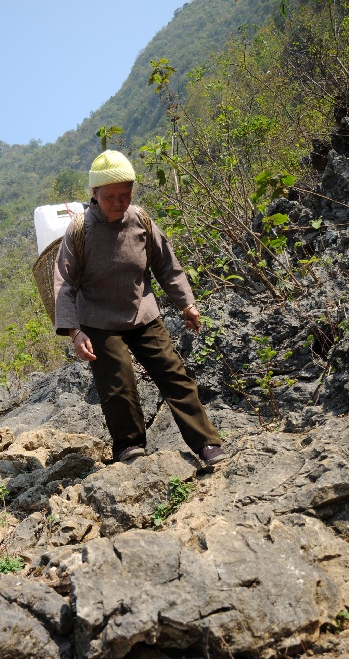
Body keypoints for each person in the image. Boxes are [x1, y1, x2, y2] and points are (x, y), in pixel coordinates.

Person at [54, 149, 226, 465]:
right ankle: (129, 445)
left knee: (174, 375)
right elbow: (64, 283)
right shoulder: (80, 230)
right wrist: (75, 331)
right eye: (111, 197)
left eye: (125, 194)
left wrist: (187, 303)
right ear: (94, 194)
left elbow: (166, 265)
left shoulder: (141, 220)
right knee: (118, 383)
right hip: (98, 319)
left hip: (142, 312)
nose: (119, 202)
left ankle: (206, 443)